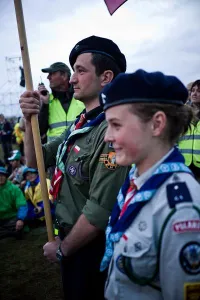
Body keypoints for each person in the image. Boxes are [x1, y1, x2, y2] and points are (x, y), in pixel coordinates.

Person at [19, 35, 129, 300]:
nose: (71, 79)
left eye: (80, 70)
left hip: (93, 247)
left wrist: (63, 249)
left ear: (106, 77)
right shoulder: (81, 123)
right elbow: (36, 160)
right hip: (74, 242)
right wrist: (28, 119)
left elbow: (99, 209)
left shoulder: (111, 129)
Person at [99, 70, 200, 300]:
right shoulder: (137, 182)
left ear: (156, 124)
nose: (107, 136)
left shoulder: (181, 209)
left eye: (116, 125)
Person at [38, 62, 84, 142]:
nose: (48, 77)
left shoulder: (82, 96)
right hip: (55, 152)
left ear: (64, 76)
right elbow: (40, 131)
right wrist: (45, 105)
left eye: (52, 74)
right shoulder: (47, 99)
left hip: (80, 150)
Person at [179, 79, 200, 181]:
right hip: (183, 166)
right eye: (193, 90)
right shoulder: (182, 115)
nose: (194, 93)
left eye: (199, 91)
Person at [0, 166, 27, 239]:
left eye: (2, 175)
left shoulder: (14, 189)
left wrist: (20, 219)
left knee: (18, 226)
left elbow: (22, 205)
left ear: (5, 176)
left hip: (12, 218)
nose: (0, 178)